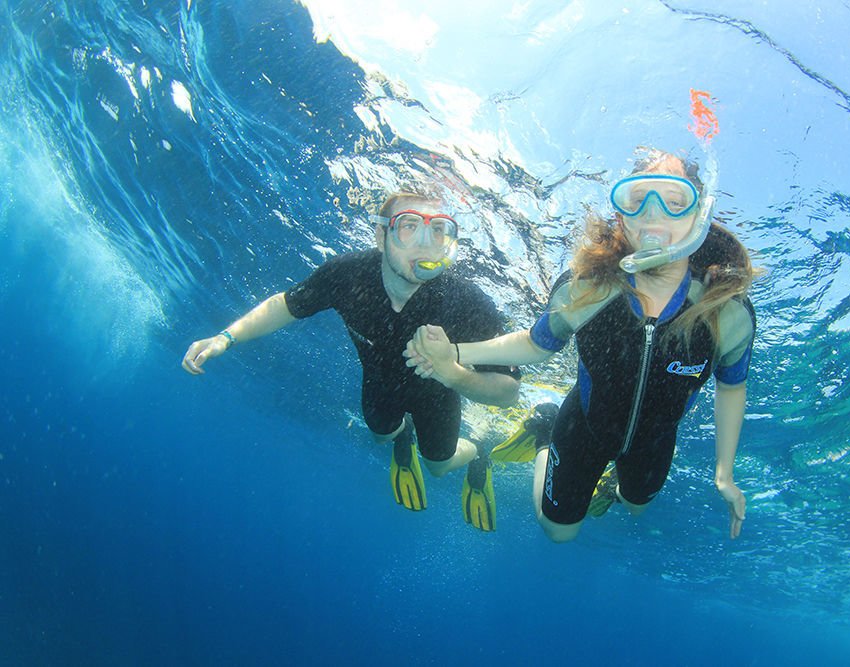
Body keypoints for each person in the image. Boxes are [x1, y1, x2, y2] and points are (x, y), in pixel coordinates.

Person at [405, 150, 755, 542]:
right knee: (558, 533)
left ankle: (611, 484)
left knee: (636, 506)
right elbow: (534, 345)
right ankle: (544, 433)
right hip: (584, 426)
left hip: (655, 440)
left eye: (675, 203)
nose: (655, 215)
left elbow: (732, 386)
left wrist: (724, 474)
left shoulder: (725, 313)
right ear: (622, 217)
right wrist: (455, 353)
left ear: (699, 216)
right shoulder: (589, 288)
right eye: (638, 201)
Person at [182, 191, 521, 531]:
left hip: (437, 396)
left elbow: (508, 393)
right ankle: (403, 435)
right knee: (381, 436)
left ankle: (477, 452)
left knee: (437, 466)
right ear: (380, 235)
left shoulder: (468, 303)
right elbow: (286, 305)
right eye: (409, 226)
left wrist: (453, 374)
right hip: (379, 382)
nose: (425, 242)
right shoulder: (347, 275)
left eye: (438, 230)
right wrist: (225, 337)